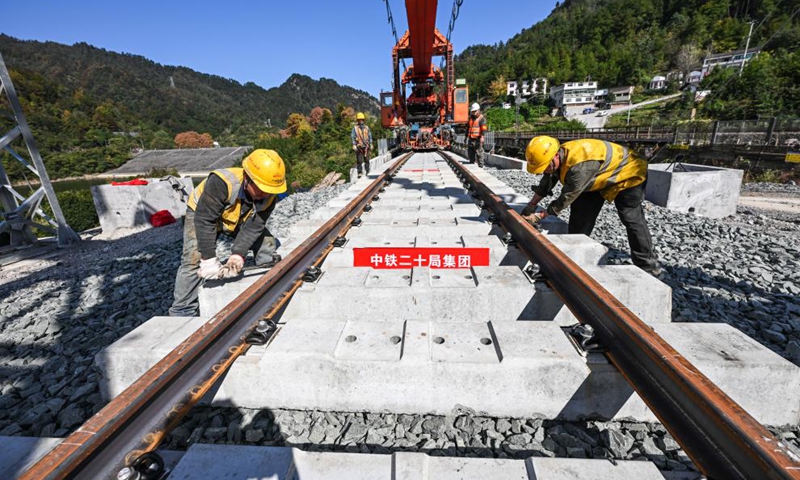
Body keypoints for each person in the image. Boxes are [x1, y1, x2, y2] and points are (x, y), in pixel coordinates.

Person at [168, 149, 287, 317]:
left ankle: (266, 284)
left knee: (266, 242)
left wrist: (238, 254)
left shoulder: (269, 196)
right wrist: (208, 259)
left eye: (270, 190)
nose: (265, 194)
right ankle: (182, 310)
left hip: (236, 216)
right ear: (247, 177)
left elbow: (254, 226)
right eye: (261, 189)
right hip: (201, 213)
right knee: (192, 259)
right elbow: (205, 221)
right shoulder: (221, 182)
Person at [520, 136, 661, 276]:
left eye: (546, 167)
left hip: (630, 171)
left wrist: (539, 216)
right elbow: (546, 182)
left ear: (556, 155)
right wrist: (531, 205)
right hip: (599, 176)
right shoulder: (556, 158)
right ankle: (576, 256)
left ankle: (648, 266)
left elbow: (566, 198)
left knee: (630, 217)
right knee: (580, 216)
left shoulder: (579, 167)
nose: (545, 170)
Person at [351, 112, 373, 177]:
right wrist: (354, 144)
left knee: (367, 159)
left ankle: (367, 171)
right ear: (357, 120)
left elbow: (370, 136)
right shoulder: (355, 128)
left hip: (366, 146)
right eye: (359, 119)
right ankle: (360, 172)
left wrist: (371, 144)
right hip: (359, 146)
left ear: (363, 120)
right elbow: (353, 136)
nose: (361, 121)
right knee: (359, 160)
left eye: (362, 119)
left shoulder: (367, 128)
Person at [467, 103, 487, 167]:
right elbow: (468, 128)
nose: (473, 113)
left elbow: (483, 128)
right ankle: (471, 163)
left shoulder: (481, 119)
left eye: (474, 111)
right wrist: (465, 137)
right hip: (471, 138)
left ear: (478, 110)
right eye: (472, 111)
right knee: (470, 152)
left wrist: (482, 137)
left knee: (479, 153)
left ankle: (480, 165)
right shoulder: (470, 119)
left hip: (478, 138)